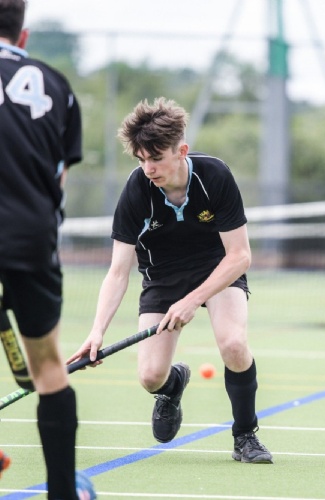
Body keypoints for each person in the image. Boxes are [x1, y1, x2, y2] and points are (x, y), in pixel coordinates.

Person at [68, 97, 273, 464]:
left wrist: (193, 299)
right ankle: (173, 385)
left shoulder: (214, 176)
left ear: (181, 151)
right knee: (150, 376)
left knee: (233, 344)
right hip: (161, 277)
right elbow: (118, 271)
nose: (149, 168)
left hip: (217, 269)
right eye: (141, 159)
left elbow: (240, 255)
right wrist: (96, 331)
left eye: (156, 158)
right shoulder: (137, 190)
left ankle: (245, 435)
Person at [0, 0, 96, 497]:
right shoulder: (54, 83)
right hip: (31, 238)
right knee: (48, 366)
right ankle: (62, 492)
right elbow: (57, 179)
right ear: (24, 35)